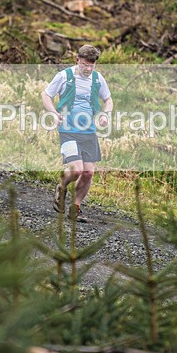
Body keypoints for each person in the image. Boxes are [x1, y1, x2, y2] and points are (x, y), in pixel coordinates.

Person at [41, 44, 113, 222]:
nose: (88, 69)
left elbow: (108, 99)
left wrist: (105, 114)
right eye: (84, 65)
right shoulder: (64, 76)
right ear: (77, 60)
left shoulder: (97, 78)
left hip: (88, 131)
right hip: (68, 130)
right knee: (77, 170)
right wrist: (53, 113)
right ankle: (62, 186)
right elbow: (46, 95)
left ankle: (75, 207)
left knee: (88, 173)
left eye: (91, 66)